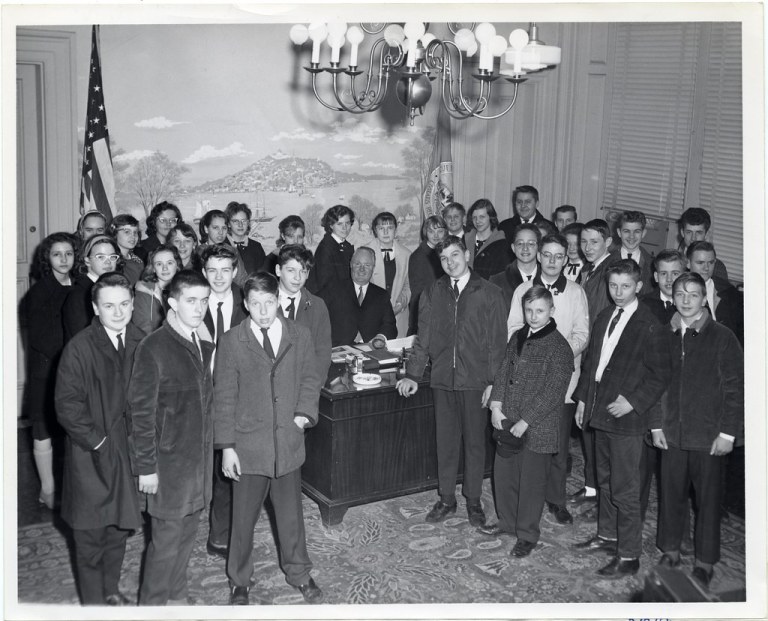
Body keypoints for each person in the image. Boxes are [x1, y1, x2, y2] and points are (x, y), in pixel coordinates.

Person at [214, 272, 324, 605]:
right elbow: (224, 397)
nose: (263, 311)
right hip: (248, 447)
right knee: (242, 519)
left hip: (287, 442)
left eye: (270, 302)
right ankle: (240, 580)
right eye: (256, 304)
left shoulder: (299, 334)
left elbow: (309, 377)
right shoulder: (232, 341)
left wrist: (303, 414)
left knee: (291, 515)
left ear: (279, 299)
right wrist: (227, 448)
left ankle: (299, 573)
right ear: (245, 305)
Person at [396, 236, 507, 528]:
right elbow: (424, 338)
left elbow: (498, 344)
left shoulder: (490, 293)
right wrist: (412, 374)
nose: (450, 263)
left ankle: (472, 500)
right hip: (443, 379)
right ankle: (446, 498)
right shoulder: (433, 292)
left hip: (475, 381)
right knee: (445, 443)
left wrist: (494, 384)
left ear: (467, 255)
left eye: (455, 255)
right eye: (444, 259)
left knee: (474, 444)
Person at [572, 259, 666, 578]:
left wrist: (633, 402)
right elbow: (591, 364)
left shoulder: (650, 324)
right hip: (600, 412)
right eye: (613, 285)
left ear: (639, 286)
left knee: (625, 487)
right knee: (605, 479)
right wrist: (584, 399)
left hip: (625, 419)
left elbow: (660, 375)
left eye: (626, 286)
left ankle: (629, 555)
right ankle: (607, 535)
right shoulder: (604, 316)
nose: (619, 292)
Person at [650, 272, 743, 589]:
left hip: (708, 437)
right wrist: (655, 424)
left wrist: (728, 433)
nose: (685, 300)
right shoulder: (665, 335)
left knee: (708, 500)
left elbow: (735, 389)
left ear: (705, 299)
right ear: (672, 297)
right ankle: (671, 550)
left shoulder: (723, 337)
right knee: (670, 495)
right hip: (672, 434)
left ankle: (705, 561)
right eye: (679, 294)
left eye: (693, 294)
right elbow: (654, 383)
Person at [54, 273, 142, 605]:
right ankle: (93, 606)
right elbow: (67, 406)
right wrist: (100, 443)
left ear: (133, 304)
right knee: (90, 535)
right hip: (91, 454)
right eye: (109, 306)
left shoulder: (142, 340)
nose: (118, 313)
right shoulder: (79, 348)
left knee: (118, 529)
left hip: (128, 451)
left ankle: (110, 590)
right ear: (95, 307)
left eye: (123, 304)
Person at [129, 270, 215, 606]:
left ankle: (177, 599)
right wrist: (147, 468)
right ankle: (150, 606)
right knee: (164, 546)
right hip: (167, 469)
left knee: (188, 537)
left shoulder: (203, 344)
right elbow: (141, 414)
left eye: (204, 301)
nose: (199, 308)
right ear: (172, 302)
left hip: (197, 466)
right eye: (191, 301)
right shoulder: (154, 347)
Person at [481, 286, 573, 557]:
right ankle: (507, 522)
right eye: (529, 310)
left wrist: (526, 421)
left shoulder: (559, 348)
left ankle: (527, 534)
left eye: (540, 311)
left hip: (537, 427)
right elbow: (503, 372)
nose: (533, 316)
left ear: (551, 311)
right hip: (508, 419)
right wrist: (496, 406)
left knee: (531, 484)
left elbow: (553, 393)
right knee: (505, 475)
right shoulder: (519, 336)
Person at [505, 233, 590, 526]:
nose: (552, 261)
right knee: (525, 443)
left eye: (559, 256)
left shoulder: (576, 292)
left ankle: (555, 499)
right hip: (526, 380)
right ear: (538, 256)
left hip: (561, 382)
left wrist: (559, 355)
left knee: (555, 445)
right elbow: (514, 329)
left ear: (566, 259)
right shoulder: (523, 290)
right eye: (547, 255)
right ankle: (522, 500)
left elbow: (582, 333)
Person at [20, 232, 77, 509]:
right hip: (48, 368)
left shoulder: (77, 285)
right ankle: (47, 488)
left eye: (69, 253)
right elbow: (43, 339)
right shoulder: (39, 293)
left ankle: (69, 486)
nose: (64, 259)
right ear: (47, 259)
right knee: (43, 430)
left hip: (72, 367)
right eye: (57, 254)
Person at [199, 243, 248, 560]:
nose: (219, 277)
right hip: (203, 395)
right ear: (204, 273)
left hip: (242, 395)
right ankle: (217, 534)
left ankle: (237, 531)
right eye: (212, 271)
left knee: (237, 465)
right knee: (213, 468)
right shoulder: (193, 302)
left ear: (235, 271)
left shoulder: (247, 302)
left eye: (225, 270)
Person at [275, 244, 332, 380]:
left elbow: (322, 355)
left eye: (303, 271)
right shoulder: (262, 303)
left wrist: (310, 392)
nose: (297, 277)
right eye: (291, 270)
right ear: (278, 270)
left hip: (306, 388)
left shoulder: (318, 305)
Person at [325, 247, 397, 347]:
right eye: (357, 264)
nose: (361, 269)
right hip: (338, 351)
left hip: (371, 351)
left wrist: (381, 337)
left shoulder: (381, 295)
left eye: (367, 265)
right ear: (351, 264)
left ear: (373, 267)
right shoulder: (332, 290)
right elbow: (317, 319)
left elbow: (390, 325)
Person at [63, 235, 123, 342]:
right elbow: (82, 340)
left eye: (112, 256)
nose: (108, 262)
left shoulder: (115, 289)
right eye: (100, 257)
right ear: (87, 261)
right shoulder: (78, 295)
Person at [364, 211, 412, 337]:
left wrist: (400, 305)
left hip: (399, 315)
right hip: (372, 315)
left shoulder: (407, 254)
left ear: (395, 229)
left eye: (390, 228)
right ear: (375, 230)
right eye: (381, 228)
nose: (386, 233)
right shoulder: (364, 252)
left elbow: (408, 285)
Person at [686, 240, 743, 344]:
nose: (706, 268)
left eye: (711, 263)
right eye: (700, 263)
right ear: (688, 263)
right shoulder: (678, 292)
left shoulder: (730, 293)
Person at [305, 204, 355, 302]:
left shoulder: (346, 245)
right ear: (331, 225)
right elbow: (325, 285)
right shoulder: (326, 248)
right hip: (328, 302)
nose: (345, 228)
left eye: (347, 223)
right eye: (339, 224)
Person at [408, 215, 447, 335]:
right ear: (425, 232)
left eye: (440, 231)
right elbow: (418, 292)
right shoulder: (418, 256)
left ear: (445, 232)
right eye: (431, 231)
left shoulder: (444, 252)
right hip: (426, 313)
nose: (436, 235)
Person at [489, 223, 541, 312]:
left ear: (539, 247)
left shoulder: (548, 278)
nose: (525, 248)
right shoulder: (497, 281)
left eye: (531, 244)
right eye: (520, 243)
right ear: (513, 247)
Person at [132, 244, 181, 336]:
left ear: (177, 265)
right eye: (159, 264)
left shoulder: (184, 289)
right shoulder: (143, 292)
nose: (165, 268)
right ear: (153, 268)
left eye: (169, 263)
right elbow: (143, 329)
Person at [464, 199, 513, 281]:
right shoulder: (464, 240)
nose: (477, 221)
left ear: (491, 217)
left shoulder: (502, 244)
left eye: (482, 217)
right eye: (474, 217)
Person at [676, 207, 729, 282]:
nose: (693, 238)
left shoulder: (717, 267)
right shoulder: (673, 262)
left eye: (698, 233)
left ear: (706, 234)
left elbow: (723, 292)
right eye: (689, 232)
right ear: (682, 233)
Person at [608, 210, 653, 289]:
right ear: (619, 232)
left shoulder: (652, 265)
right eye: (626, 231)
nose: (631, 236)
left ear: (644, 233)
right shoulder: (606, 261)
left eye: (636, 231)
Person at [641, 249, 685, 325]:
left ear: (683, 276)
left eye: (675, 274)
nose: (669, 279)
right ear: (656, 277)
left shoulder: (690, 305)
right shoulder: (642, 305)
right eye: (664, 273)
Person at [225, 201, 266, 275]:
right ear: (228, 224)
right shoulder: (221, 246)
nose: (240, 225)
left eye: (243, 221)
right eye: (235, 221)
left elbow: (262, 276)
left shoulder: (256, 247)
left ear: (248, 223)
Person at [108, 214, 144, 285]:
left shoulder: (138, 261)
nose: (132, 236)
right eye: (127, 232)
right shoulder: (111, 261)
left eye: (135, 232)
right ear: (115, 233)